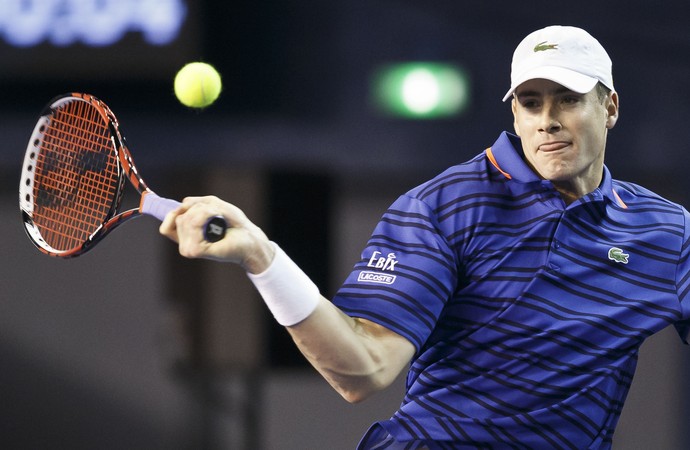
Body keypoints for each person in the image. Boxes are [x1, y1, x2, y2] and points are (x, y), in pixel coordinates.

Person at [159, 25, 690, 449]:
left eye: (568, 99)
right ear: (515, 113)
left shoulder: (666, 234)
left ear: (610, 108)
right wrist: (261, 256)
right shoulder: (444, 205)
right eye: (531, 102)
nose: (547, 120)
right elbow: (361, 371)